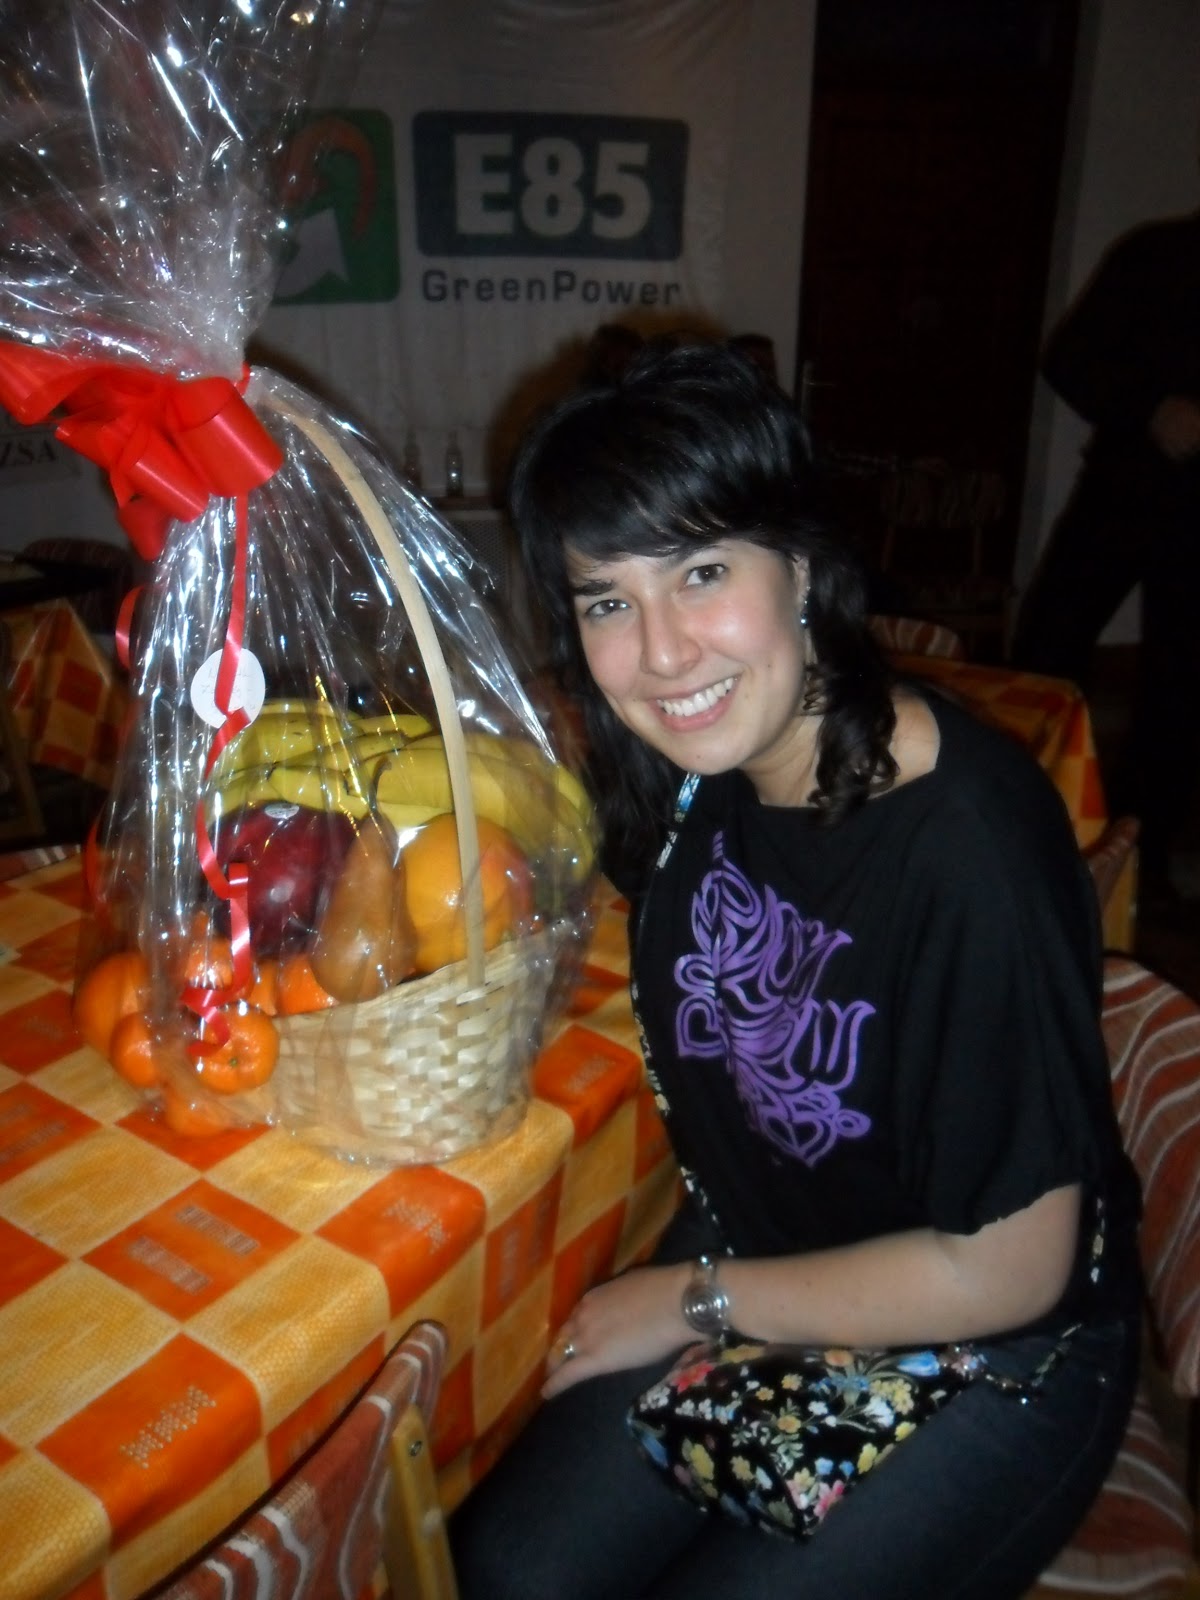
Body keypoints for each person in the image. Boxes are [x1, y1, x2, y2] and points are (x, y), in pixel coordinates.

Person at [451, 343, 1142, 1600]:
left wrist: (696, 1300)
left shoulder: (967, 851)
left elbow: (1008, 1267)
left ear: (805, 567)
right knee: (508, 1569)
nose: (663, 653)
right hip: (777, 1244)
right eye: (607, 602)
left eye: (703, 573)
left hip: (992, 1342)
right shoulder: (699, 776)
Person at [1010, 208, 1200, 896]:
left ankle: (1139, 859)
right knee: (1049, 646)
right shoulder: (1158, 253)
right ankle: (1009, 811)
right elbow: (1070, 360)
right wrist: (1152, 409)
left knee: (1180, 686)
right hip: (1124, 492)